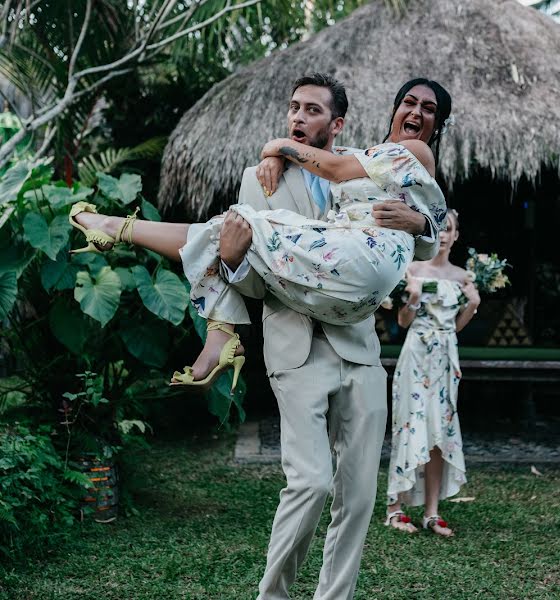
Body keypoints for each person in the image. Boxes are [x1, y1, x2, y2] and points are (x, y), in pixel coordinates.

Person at [74, 73, 453, 600]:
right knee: (311, 482)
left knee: (360, 494)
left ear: (337, 123)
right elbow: (257, 271)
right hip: (296, 348)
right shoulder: (260, 179)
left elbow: (424, 235)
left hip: (360, 349)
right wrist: (229, 259)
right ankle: (271, 596)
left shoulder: (364, 166)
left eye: (312, 110)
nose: (299, 117)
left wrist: (419, 224)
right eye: (293, 107)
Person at [68, 75, 449, 395]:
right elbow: (335, 167)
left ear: (337, 123)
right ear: (395, 109)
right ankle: (216, 332)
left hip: (358, 291)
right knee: (232, 233)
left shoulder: (406, 152)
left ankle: (121, 231)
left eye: (428, 109)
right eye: (409, 103)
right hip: (332, 304)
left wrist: (278, 146)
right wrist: (275, 160)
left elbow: (424, 227)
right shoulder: (366, 160)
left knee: (236, 226)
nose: (415, 112)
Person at [383, 210, 479, 537]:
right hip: (417, 353)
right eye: (437, 228)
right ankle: (394, 507)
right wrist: (410, 298)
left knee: (441, 430)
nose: (442, 235)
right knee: (410, 423)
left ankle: (431, 512)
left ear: (455, 235)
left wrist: (472, 304)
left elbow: (456, 326)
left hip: (445, 355)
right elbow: (402, 322)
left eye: (448, 229)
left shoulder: (463, 276)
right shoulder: (411, 270)